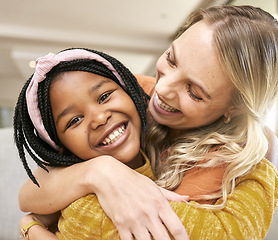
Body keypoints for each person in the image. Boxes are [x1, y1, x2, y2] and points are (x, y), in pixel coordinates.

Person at [18, 5, 278, 240]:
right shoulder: (134, 94)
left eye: (194, 91)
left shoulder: (243, 152)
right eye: (171, 59)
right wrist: (100, 172)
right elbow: (30, 193)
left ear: (235, 106)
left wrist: (33, 226)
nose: (163, 90)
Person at [15, 48, 189, 240]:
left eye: (104, 97)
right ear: (62, 147)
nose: (99, 118)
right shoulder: (88, 212)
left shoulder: (164, 138)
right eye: (75, 120)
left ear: (130, 91)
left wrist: (30, 225)